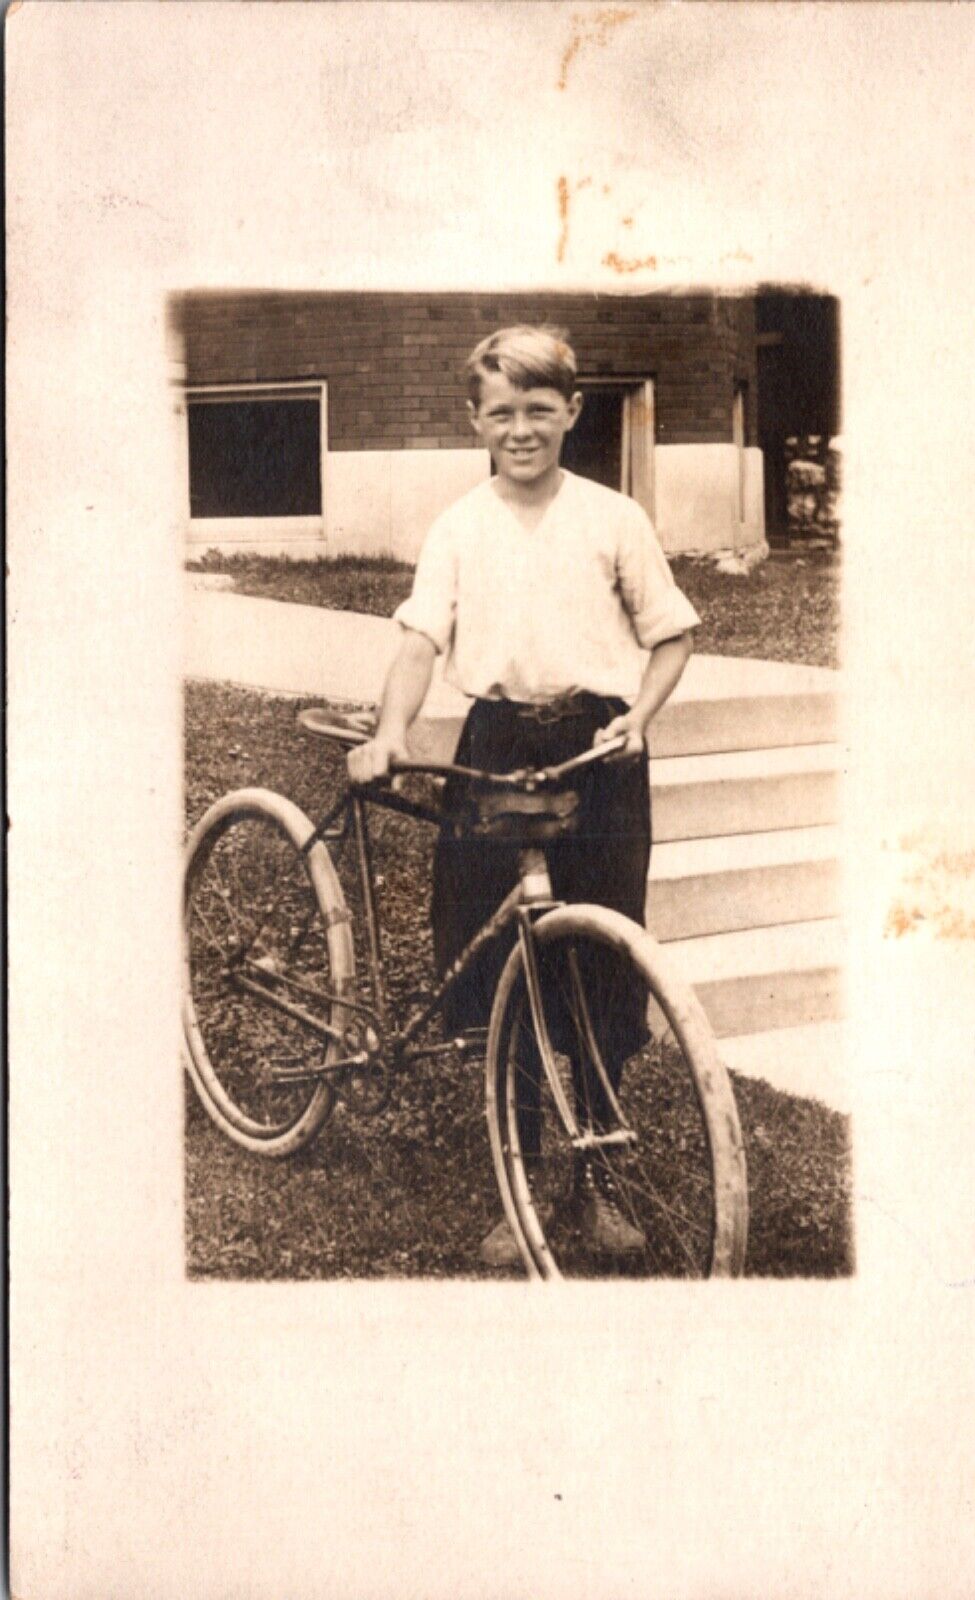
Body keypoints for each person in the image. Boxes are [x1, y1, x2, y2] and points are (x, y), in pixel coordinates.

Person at [347, 325, 700, 1267]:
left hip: (599, 751)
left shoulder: (612, 517)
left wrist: (640, 717)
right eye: (499, 412)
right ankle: (522, 1177)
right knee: (501, 956)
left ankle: (602, 1188)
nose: (520, 429)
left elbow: (670, 636)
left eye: (539, 409)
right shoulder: (460, 526)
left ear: (573, 412)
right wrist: (390, 735)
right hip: (496, 744)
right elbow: (420, 642)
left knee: (601, 958)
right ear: (475, 419)